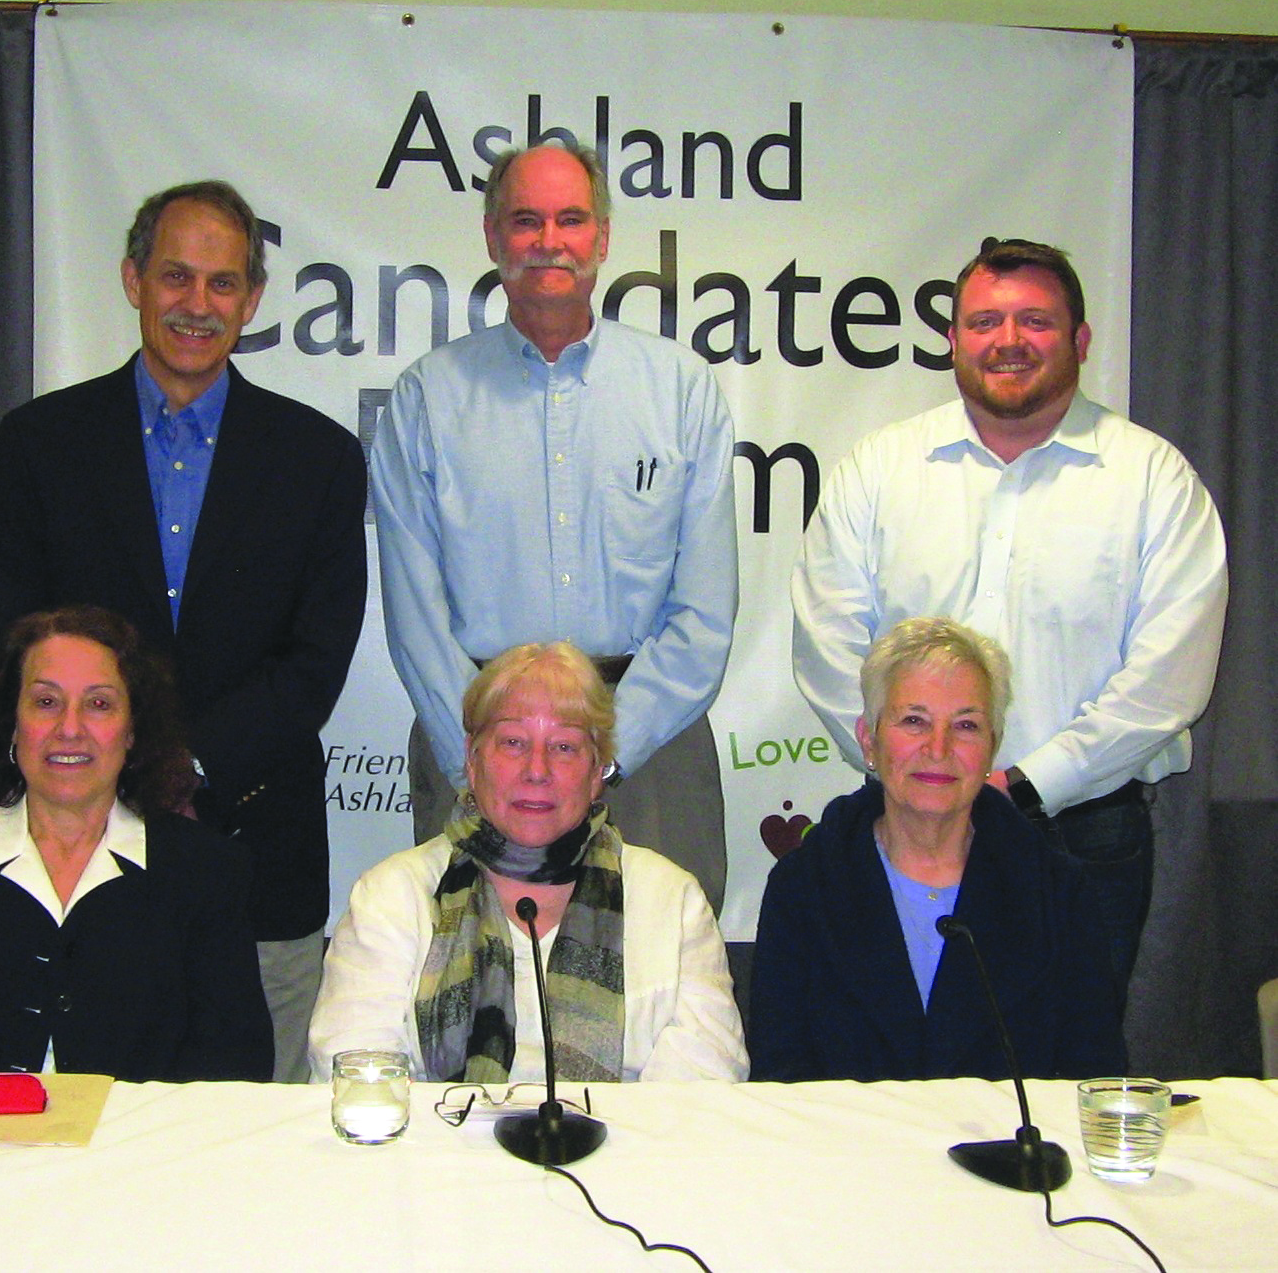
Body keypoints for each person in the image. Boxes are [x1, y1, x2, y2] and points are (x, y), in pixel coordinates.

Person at [0, 181, 367, 1081]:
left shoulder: (318, 457)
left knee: (262, 1132)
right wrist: (130, 766)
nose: (198, 305)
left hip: (260, 852)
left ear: (254, 300)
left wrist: (185, 762)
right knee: (89, 1116)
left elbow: (314, 665)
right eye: (176, 277)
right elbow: (25, 645)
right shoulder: (41, 444)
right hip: (76, 838)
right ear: (132, 280)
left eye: (223, 283)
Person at [791, 237, 1227, 989]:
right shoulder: (880, 471)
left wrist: (1025, 785)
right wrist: (915, 770)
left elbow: (1166, 683)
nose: (1010, 342)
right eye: (986, 323)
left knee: (1063, 1071)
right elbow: (830, 649)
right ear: (954, 339)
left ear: (1080, 341)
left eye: (1036, 322)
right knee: (893, 1068)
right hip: (901, 821)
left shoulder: (1154, 481)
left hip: (1082, 836)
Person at [371, 143, 738, 911]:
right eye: (526, 220)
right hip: (472, 749)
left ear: (602, 238)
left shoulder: (681, 393)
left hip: (651, 753)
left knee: (661, 1004)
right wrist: (493, 756)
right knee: (476, 1012)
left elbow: (703, 617)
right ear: (492, 236)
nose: (549, 240)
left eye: (571, 220)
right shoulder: (427, 400)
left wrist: (600, 753)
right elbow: (413, 618)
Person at [0, 606, 273, 1084]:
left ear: (132, 731)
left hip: (144, 1152)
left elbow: (237, 1059)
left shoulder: (206, 869)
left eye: (99, 704)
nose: (70, 729)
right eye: (46, 703)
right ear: (12, 723)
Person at [308, 642, 747, 1083]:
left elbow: (704, 1085)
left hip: (626, 1148)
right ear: (472, 759)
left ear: (597, 771)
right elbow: (353, 1074)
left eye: (564, 746)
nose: (537, 770)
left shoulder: (673, 899)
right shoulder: (391, 896)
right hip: (437, 1147)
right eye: (513, 742)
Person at [751, 618, 1125, 1083]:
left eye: (966, 725)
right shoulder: (804, 887)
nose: (939, 748)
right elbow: (778, 1078)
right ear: (868, 739)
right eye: (914, 721)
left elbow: (1092, 1078)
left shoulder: (1059, 893)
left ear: (992, 746)